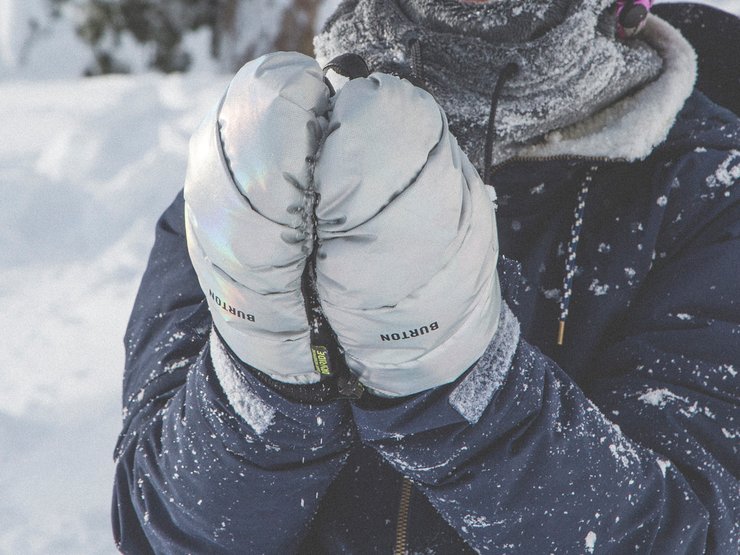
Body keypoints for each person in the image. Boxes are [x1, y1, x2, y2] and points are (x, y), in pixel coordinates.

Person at [112, 1, 739, 553]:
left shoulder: (707, 197)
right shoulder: (267, 163)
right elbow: (162, 528)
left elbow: (695, 533)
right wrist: (263, 375)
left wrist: (460, 382)